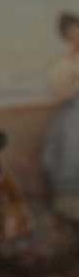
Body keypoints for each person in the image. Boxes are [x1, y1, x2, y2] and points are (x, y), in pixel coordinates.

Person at [43, 12, 79, 223]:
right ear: (66, 37)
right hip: (72, 113)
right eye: (72, 35)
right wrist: (74, 87)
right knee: (69, 140)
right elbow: (57, 95)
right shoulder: (62, 67)